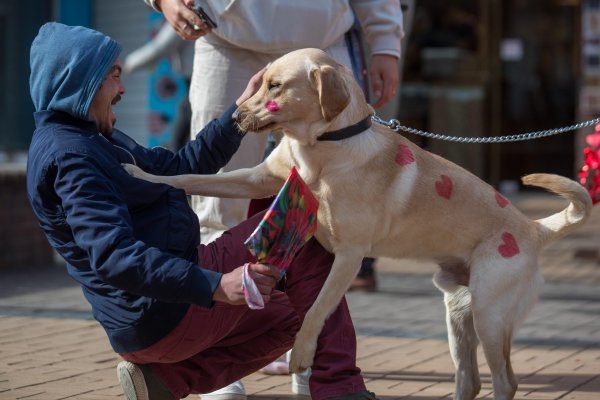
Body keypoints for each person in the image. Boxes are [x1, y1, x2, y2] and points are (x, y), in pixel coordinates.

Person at [27, 22, 374, 400]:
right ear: (81, 81)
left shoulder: (89, 140)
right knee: (304, 221)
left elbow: (179, 170)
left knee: (296, 317)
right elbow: (113, 255)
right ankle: (340, 389)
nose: (123, 89)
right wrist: (216, 285)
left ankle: (166, 382)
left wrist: (241, 111)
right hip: (166, 312)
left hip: (155, 321)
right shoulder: (72, 157)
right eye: (113, 77)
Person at [142, 0, 404, 245]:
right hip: (225, 39)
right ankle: (217, 288)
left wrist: (385, 42)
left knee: (331, 196)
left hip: (320, 47)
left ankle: (314, 290)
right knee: (216, 207)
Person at [124, 21, 194, 151]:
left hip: (196, 78)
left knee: (187, 118)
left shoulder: (181, 12)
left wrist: (131, 62)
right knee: (187, 118)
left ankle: (176, 160)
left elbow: (161, 46)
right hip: (193, 78)